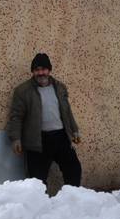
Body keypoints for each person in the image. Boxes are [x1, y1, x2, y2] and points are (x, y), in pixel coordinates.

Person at [6, 53, 82, 188]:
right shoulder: (23, 91)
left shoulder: (60, 87)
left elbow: (67, 111)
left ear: (49, 70)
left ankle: (71, 199)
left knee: (74, 169)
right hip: (37, 141)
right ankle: (42, 206)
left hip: (61, 137)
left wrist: (74, 130)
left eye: (44, 69)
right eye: (37, 70)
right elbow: (16, 117)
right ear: (33, 71)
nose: (40, 73)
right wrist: (15, 139)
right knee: (37, 180)